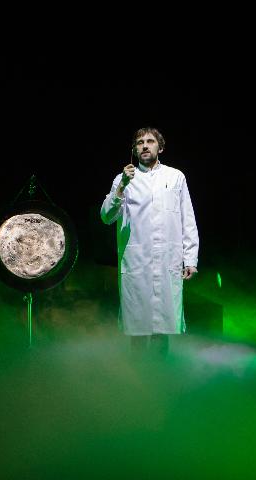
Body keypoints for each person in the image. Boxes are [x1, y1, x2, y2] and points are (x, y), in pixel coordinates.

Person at [100, 127, 199, 357]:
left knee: (162, 323)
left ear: (160, 147)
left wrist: (190, 259)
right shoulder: (123, 179)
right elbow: (106, 216)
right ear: (134, 150)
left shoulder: (175, 177)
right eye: (139, 142)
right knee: (138, 323)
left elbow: (187, 219)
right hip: (136, 261)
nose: (145, 145)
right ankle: (138, 373)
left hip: (166, 260)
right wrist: (122, 186)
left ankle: (160, 371)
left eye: (150, 141)